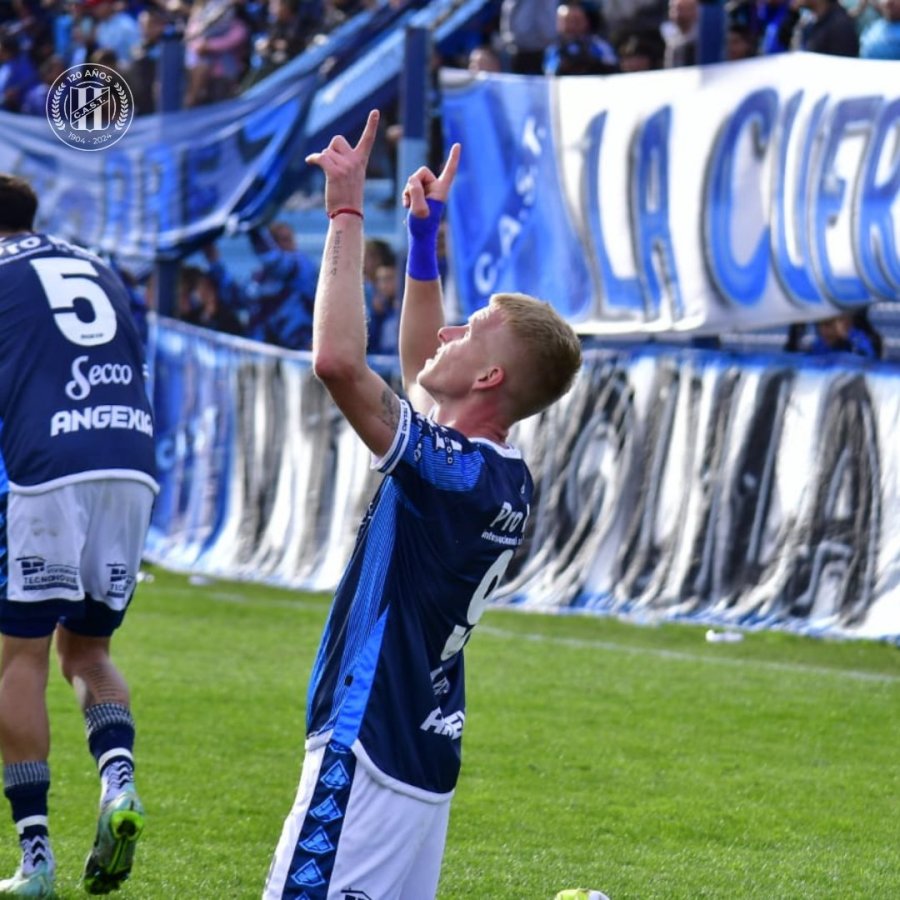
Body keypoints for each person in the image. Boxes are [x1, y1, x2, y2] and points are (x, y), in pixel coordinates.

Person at [263, 109, 583, 898]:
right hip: (421, 749)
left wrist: (345, 209)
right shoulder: (496, 471)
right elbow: (421, 371)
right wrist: (423, 244)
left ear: (489, 382)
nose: (446, 334)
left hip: (367, 741)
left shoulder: (457, 474)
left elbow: (339, 363)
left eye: (469, 332)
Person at [0, 174, 157, 898]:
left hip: (48, 473)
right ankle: (118, 786)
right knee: (89, 649)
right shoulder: (97, 266)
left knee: (19, 659)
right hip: (130, 465)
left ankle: (36, 862)